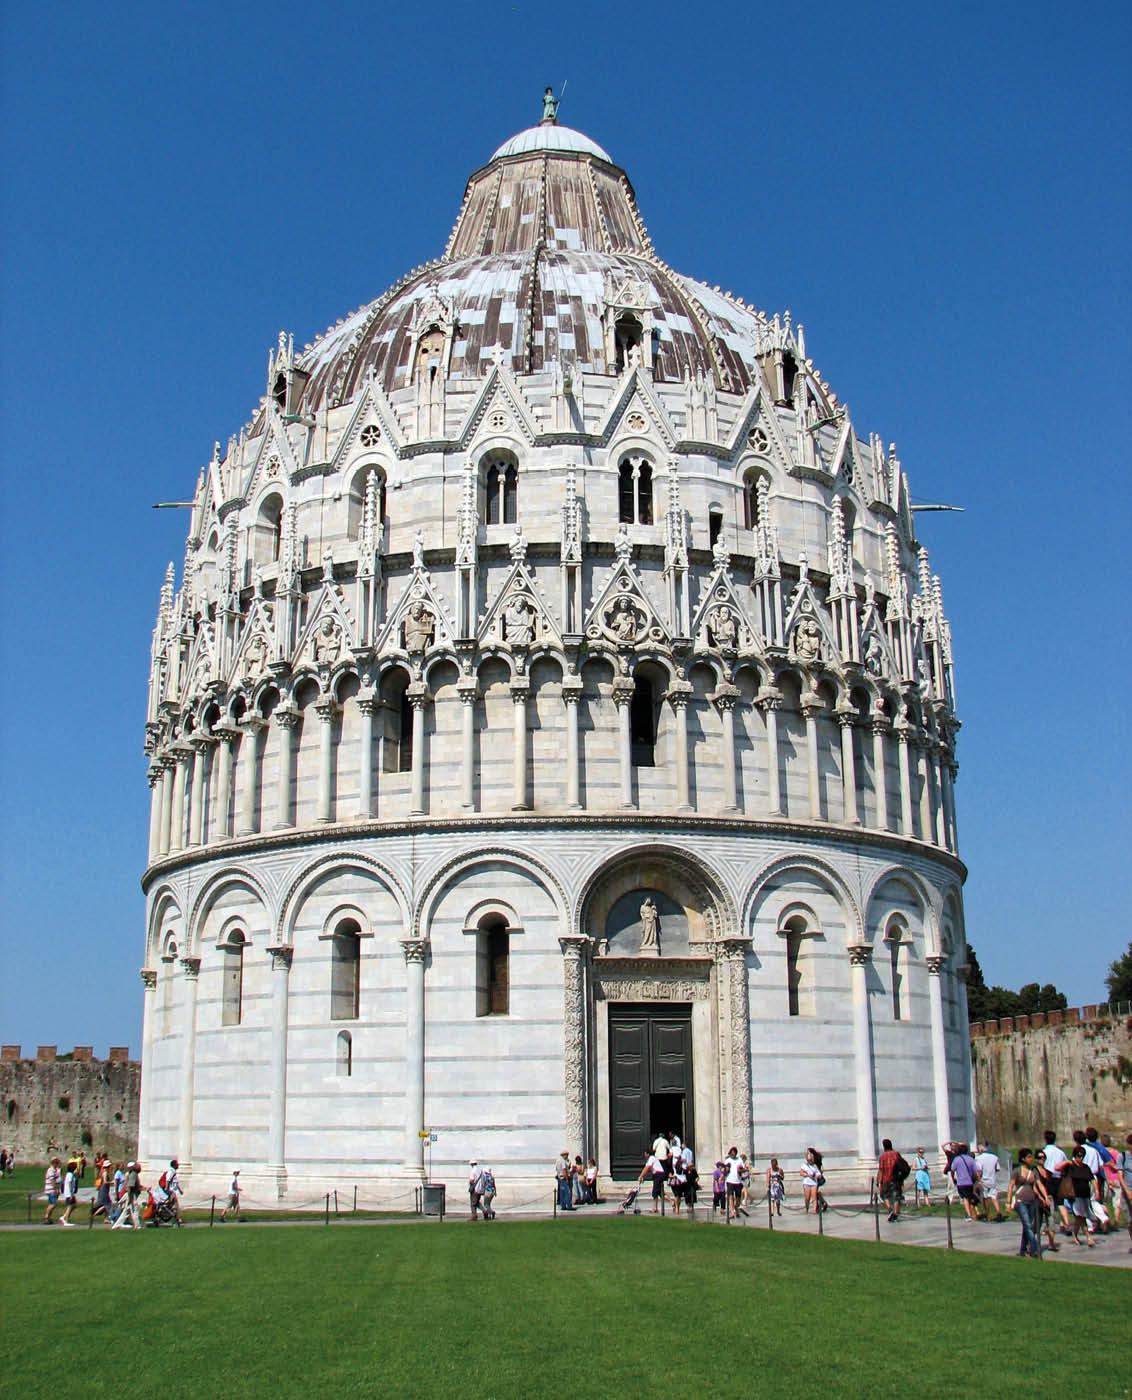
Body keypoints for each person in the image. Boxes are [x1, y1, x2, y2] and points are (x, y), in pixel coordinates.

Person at [1006, 1148, 1048, 1258]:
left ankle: (1022, 1250)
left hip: (1032, 1200)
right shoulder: (1017, 1171)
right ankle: (1034, 1248)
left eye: (1031, 1156)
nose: (1031, 1159)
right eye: (1029, 1157)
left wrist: (1045, 1197)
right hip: (1020, 1201)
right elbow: (1011, 1186)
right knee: (1028, 1225)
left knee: (1027, 1225)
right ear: (1023, 1158)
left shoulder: (1033, 1171)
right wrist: (1008, 1202)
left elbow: (1039, 1185)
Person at [1064, 1145, 1096, 1248]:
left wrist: (1097, 1190)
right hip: (1075, 1196)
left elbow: (1092, 1179)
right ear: (1075, 1156)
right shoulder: (1071, 1167)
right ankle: (1088, 1237)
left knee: (1079, 1218)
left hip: (1085, 1195)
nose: (1080, 1158)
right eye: (1078, 1156)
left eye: (1082, 1156)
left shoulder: (1086, 1167)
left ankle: (1074, 1235)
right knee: (1081, 1216)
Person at [1032, 1150, 1060, 1251]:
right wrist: (1041, 1198)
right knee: (1037, 1223)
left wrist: (1049, 1197)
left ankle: (1051, 1244)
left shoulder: (1048, 1172)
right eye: (1040, 1157)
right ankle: (1031, 1243)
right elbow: (1035, 1186)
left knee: (1051, 1222)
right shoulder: (1034, 1171)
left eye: (1043, 1157)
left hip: (1049, 1198)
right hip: (1039, 1199)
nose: (1042, 1159)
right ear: (1036, 1159)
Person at [876, 1139, 907, 1222]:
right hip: (896, 1178)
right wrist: (902, 1180)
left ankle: (890, 1210)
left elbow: (881, 1170)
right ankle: (895, 1214)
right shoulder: (896, 1154)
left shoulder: (882, 1157)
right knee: (897, 1197)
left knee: (884, 1195)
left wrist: (879, 1182)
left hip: (886, 1179)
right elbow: (901, 1165)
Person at [950, 1143, 980, 1222]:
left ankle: (969, 1215)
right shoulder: (971, 1159)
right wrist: (977, 1180)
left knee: (965, 1198)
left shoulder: (956, 1159)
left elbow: (952, 1170)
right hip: (969, 1182)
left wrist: (953, 1178)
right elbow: (976, 1171)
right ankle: (972, 1212)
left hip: (961, 1182)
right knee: (969, 1197)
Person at [975, 1143, 1002, 1221]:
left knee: (985, 1198)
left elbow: (979, 1171)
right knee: (994, 1197)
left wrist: (979, 1179)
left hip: (984, 1180)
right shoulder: (994, 1157)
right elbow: (997, 1169)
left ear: (980, 1150)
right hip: (992, 1179)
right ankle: (998, 1212)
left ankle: (987, 1215)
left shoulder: (978, 1158)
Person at [638, 1149, 666, 1213]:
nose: (644, 1155)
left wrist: (641, 1176)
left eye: (645, 1154)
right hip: (657, 1175)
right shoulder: (649, 1160)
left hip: (659, 1174)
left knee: (655, 1192)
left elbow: (647, 1168)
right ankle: (671, 1202)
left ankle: (654, 1208)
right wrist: (642, 1177)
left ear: (648, 1154)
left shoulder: (652, 1158)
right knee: (659, 1192)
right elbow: (646, 1169)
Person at [724, 1147, 747, 1221]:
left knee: (738, 1198)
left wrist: (742, 1170)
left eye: (734, 1153)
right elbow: (725, 1170)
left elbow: (742, 1169)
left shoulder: (739, 1160)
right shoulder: (727, 1160)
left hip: (738, 1181)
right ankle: (732, 1212)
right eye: (731, 1153)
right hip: (730, 1180)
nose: (732, 1154)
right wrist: (725, 1171)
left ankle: (736, 1207)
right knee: (730, 1197)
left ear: (736, 1153)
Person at [800, 1148, 822, 1214]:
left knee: (814, 1197)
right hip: (807, 1183)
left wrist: (817, 1176)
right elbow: (801, 1173)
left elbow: (819, 1174)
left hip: (814, 1183)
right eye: (809, 1160)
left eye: (811, 1159)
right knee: (807, 1198)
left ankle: (814, 1210)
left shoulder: (815, 1166)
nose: (810, 1161)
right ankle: (806, 1209)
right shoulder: (804, 1165)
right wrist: (808, 1175)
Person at [59, 1159, 79, 1227]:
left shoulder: (70, 1174)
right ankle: (66, 1220)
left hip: (70, 1193)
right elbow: (70, 1184)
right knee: (70, 1206)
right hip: (69, 1193)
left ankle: (64, 1217)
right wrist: (71, 1194)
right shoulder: (70, 1175)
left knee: (74, 1205)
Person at [43, 1157, 62, 1225]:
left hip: (52, 1189)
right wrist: (55, 1189)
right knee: (53, 1204)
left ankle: (48, 1218)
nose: (57, 1164)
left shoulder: (55, 1170)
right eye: (56, 1162)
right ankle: (46, 1216)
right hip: (51, 1189)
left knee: (51, 1204)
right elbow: (52, 1180)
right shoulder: (50, 1170)